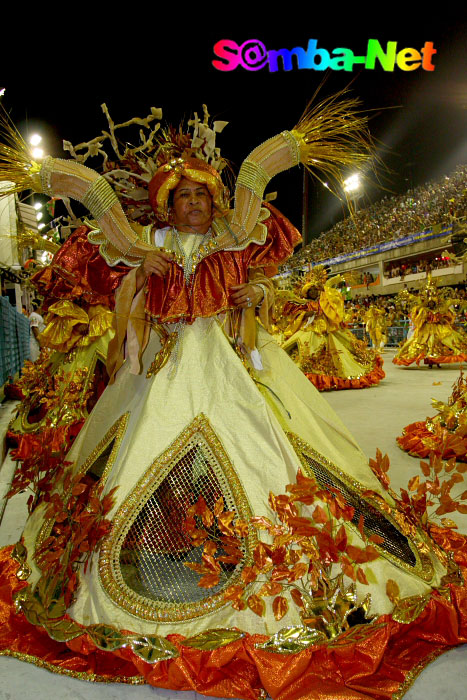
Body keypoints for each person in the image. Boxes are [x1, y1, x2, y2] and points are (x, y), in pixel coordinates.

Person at [1, 99, 467, 700]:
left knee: (271, 451)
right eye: (181, 198)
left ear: (215, 201)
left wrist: (254, 297)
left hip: (231, 365)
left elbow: (261, 293)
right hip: (161, 370)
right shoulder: (146, 247)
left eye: (200, 197)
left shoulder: (235, 242)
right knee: (136, 455)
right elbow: (119, 307)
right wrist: (142, 280)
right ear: (166, 206)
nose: (192, 206)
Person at [281, 267, 385, 390]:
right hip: (310, 329)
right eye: (311, 290)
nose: (314, 292)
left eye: (315, 289)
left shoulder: (324, 300)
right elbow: (293, 316)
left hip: (328, 329)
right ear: (307, 293)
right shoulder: (305, 304)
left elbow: (334, 303)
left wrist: (327, 287)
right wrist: (305, 314)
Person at [393, 277, 467, 367]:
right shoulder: (423, 306)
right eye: (430, 295)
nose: (431, 299)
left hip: (438, 328)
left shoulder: (442, 305)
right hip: (425, 329)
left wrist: (460, 302)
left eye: (433, 295)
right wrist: (408, 295)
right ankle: (400, 354)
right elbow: (415, 299)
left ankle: (446, 356)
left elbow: (452, 302)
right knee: (412, 340)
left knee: (444, 340)